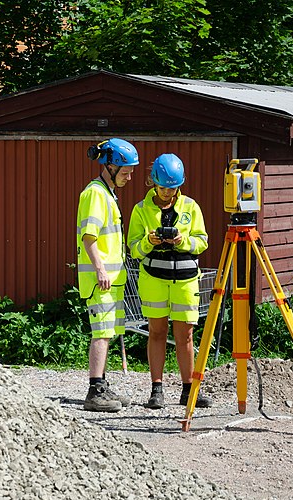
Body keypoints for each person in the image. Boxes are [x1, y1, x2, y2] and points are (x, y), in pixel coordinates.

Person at [127, 153, 214, 409]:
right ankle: (157, 389)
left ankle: (189, 390)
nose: (168, 192)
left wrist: (182, 242)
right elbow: (133, 249)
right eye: (164, 187)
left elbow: (202, 240)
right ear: (153, 182)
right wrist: (148, 242)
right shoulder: (141, 210)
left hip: (186, 279)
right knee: (156, 332)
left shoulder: (191, 206)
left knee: (185, 335)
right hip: (154, 277)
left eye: (173, 187)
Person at [76, 138, 138, 412]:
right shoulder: (95, 194)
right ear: (109, 166)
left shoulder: (108, 193)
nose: (129, 176)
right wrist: (100, 269)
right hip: (101, 280)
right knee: (101, 333)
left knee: (108, 332)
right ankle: (95, 391)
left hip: (113, 280)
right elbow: (88, 237)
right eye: (125, 171)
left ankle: (102, 383)